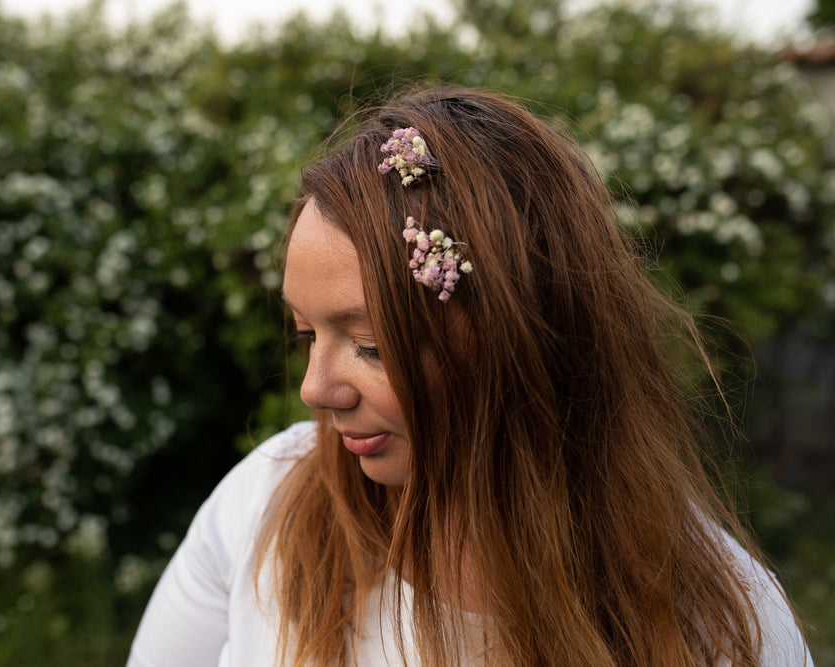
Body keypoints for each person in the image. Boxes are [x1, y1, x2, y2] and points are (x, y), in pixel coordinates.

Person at [127, 86, 813, 666]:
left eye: (371, 344)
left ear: (518, 338)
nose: (315, 389)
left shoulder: (719, 625)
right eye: (307, 333)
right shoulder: (266, 501)